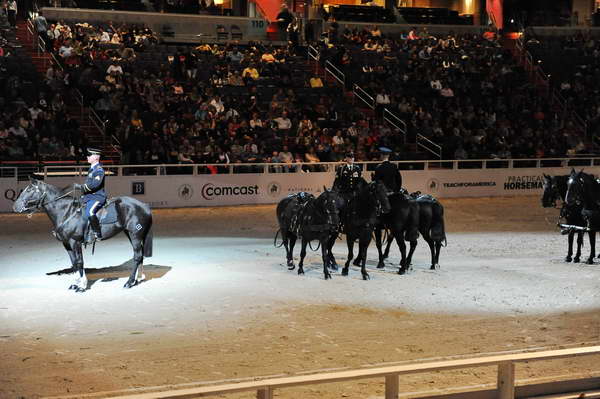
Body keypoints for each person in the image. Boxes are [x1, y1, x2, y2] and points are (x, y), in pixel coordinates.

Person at [74, 148, 106, 242]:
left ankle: (98, 233)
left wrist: (81, 187)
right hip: (89, 196)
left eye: (89, 155)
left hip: (97, 197)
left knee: (90, 212)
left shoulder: (99, 170)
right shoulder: (92, 168)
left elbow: (95, 185)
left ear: (96, 157)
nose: (87, 157)